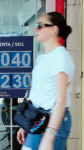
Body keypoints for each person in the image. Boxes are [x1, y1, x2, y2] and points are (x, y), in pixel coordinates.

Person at [17, 12, 75, 150]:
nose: (35, 29)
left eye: (39, 26)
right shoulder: (42, 57)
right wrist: (25, 124)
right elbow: (38, 92)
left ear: (53, 29)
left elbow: (60, 101)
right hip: (38, 119)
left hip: (53, 121)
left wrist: (49, 135)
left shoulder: (60, 56)